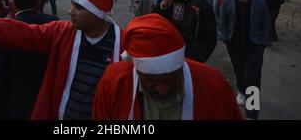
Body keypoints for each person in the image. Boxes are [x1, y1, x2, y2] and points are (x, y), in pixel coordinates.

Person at [93, 13, 242, 120]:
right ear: (137, 69)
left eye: (173, 78)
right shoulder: (113, 83)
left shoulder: (213, 84)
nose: (163, 90)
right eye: (151, 80)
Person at [0, 0, 58, 119]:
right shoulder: (55, 23)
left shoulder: (4, 29)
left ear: (14, 3)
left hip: (15, 107)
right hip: (49, 104)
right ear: (38, 1)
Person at [220, 0, 270, 120]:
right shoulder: (227, 0)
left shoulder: (260, 2)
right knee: (239, 71)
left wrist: (262, 41)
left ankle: (252, 112)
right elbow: (224, 21)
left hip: (254, 46)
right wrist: (225, 38)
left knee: (253, 78)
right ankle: (242, 90)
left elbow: (265, 23)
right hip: (234, 45)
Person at [153, 0, 217, 63]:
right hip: (169, 53)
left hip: (190, 56)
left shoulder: (199, 4)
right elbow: (156, 20)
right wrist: (163, 5)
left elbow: (210, 37)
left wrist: (196, 59)